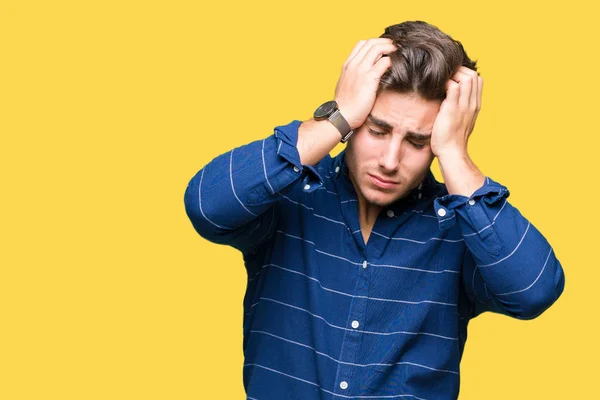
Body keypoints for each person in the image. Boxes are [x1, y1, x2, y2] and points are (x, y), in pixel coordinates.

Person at [183, 20, 565, 400]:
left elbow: (534, 290)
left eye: (418, 142)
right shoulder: (291, 195)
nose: (390, 160)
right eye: (377, 131)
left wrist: (455, 154)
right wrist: (338, 115)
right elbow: (206, 205)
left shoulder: (460, 229)